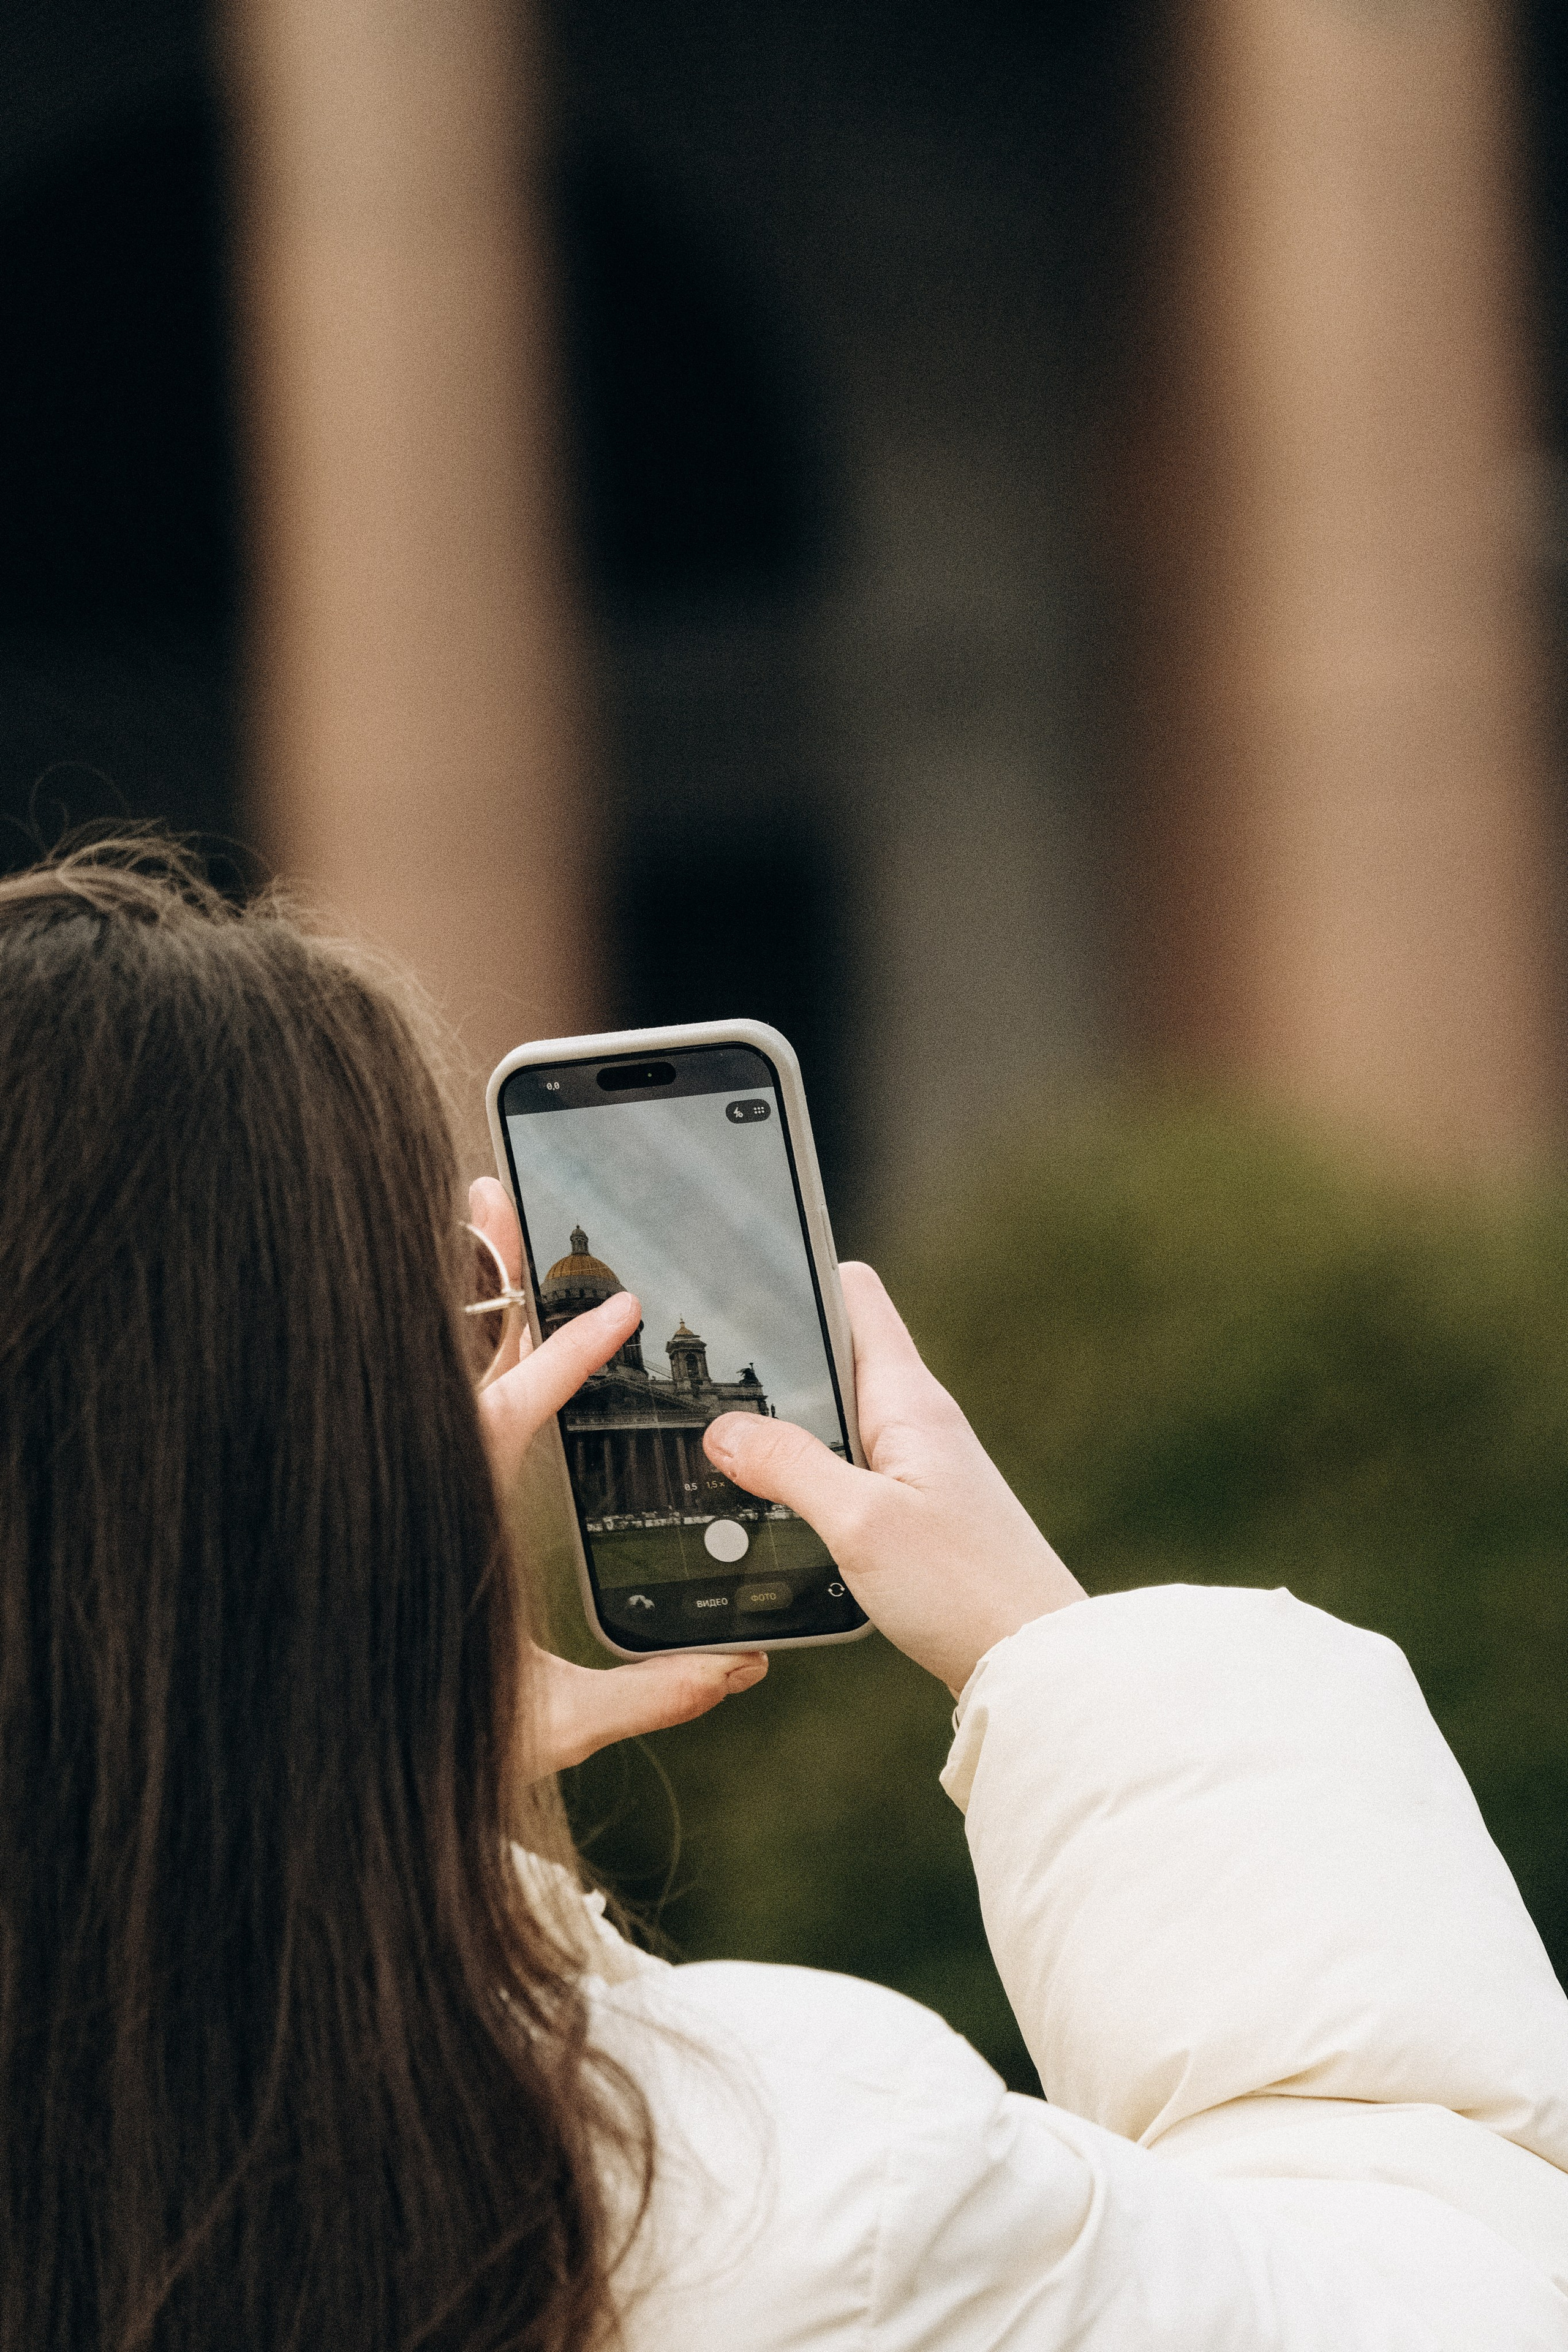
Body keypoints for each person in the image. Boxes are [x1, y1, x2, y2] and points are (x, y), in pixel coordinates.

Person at [2, 836, 1565, 2352]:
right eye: (474, 1312)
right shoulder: (798, 2201)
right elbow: (1469, 2284)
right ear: (379, 1471)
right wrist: (1059, 1656)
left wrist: (320, 1751)